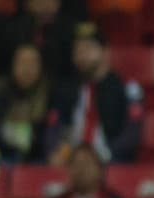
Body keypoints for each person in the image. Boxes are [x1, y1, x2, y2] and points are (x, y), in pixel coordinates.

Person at [46, 22, 142, 164]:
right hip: (70, 160)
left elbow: (132, 132)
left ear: (105, 51)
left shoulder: (126, 87)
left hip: (110, 159)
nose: (81, 54)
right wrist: (54, 151)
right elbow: (53, 126)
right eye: (77, 49)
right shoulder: (65, 89)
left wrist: (107, 155)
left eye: (88, 48)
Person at [0, 44, 52, 163]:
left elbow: (49, 136)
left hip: (36, 162)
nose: (27, 68)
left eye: (33, 63)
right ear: (13, 65)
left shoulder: (49, 95)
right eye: (23, 62)